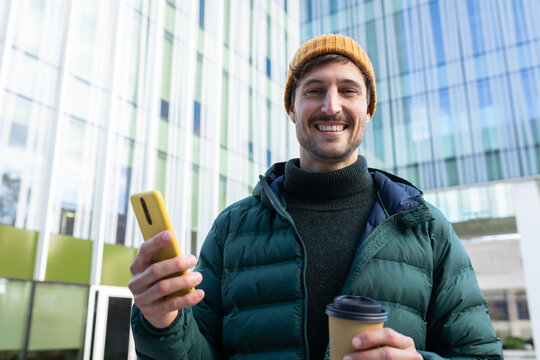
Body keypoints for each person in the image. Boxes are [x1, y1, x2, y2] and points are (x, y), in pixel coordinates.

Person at [128, 34, 503, 359]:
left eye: (349, 90)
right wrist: (162, 322)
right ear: (291, 108)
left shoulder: (424, 226)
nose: (331, 106)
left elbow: (481, 355)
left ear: (368, 109)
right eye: (314, 90)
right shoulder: (233, 227)